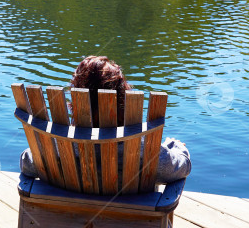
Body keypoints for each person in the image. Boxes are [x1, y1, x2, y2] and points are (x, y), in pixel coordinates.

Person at [20, 55, 191, 183]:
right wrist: (175, 146)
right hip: (132, 225)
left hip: (68, 222)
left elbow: (27, 163)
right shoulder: (139, 146)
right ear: (122, 97)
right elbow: (180, 168)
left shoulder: (61, 143)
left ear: (76, 96)